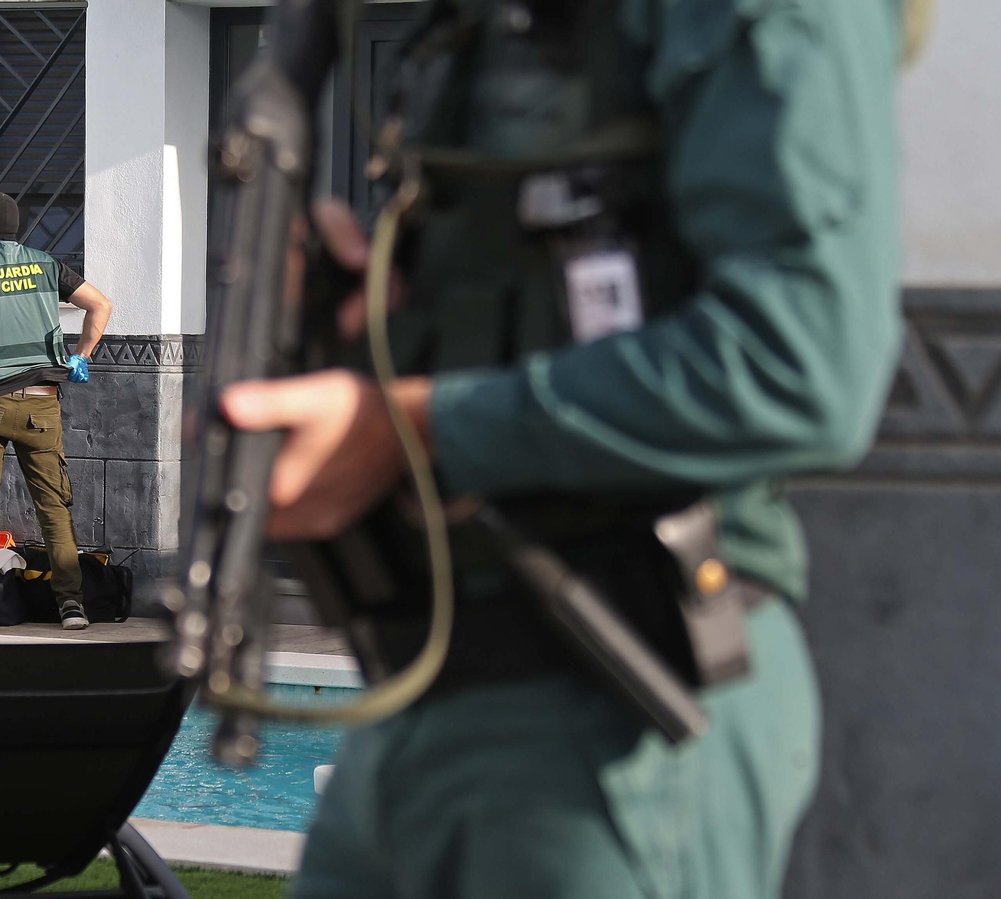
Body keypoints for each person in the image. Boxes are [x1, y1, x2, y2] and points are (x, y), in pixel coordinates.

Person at [221, 1, 907, 897]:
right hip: (422, 691)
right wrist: (360, 324)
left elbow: (802, 362)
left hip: (618, 704)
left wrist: (416, 425)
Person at [0, 191, 112, 632]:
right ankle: (71, 606)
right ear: (16, 226)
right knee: (53, 506)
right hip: (42, 405)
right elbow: (101, 304)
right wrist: (81, 355)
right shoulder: (47, 264)